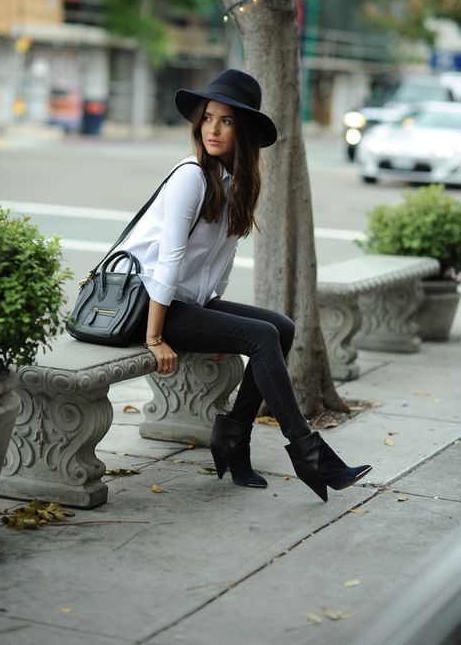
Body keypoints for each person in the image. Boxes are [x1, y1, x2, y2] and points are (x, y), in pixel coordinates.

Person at [119, 69, 371, 502]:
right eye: (208, 118)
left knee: (281, 327)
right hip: (145, 305)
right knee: (260, 336)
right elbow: (169, 258)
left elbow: (221, 258)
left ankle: (234, 436)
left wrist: (214, 319)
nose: (212, 129)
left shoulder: (235, 181)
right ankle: (307, 450)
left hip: (182, 303)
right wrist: (155, 337)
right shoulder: (190, 176)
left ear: (245, 130)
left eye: (227, 121)